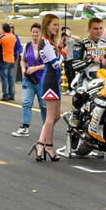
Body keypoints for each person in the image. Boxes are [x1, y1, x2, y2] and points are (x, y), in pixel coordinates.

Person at [28, 13, 63, 161]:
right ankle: (46, 145)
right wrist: (63, 54)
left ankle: (42, 144)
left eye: (57, 24)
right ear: (47, 25)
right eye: (54, 24)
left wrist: (61, 46)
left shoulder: (49, 42)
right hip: (50, 81)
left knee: (56, 116)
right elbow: (56, 64)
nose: (57, 27)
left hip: (54, 81)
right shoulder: (45, 43)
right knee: (50, 117)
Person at [12, 21, 46, 137]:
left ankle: (46, 126)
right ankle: (25, 127)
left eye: (37, 32)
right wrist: (23, 70)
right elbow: (23, 60)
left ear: (41, 33)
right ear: (30, 33)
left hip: (41, 80)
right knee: (26, 103)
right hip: (28, 80)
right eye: (33, 32)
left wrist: (35, 68)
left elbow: (49, 64)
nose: (35, 34)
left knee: (44, 105)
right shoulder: (27, 46)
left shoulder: (45, 46)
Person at [0, 22, 20, 101]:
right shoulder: (13, 36)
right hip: (11, 59)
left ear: (3, 29)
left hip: (4, 59)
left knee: (4, 78)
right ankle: (11, 94)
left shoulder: (3, 37)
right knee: (11, 78)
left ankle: (5, 95)